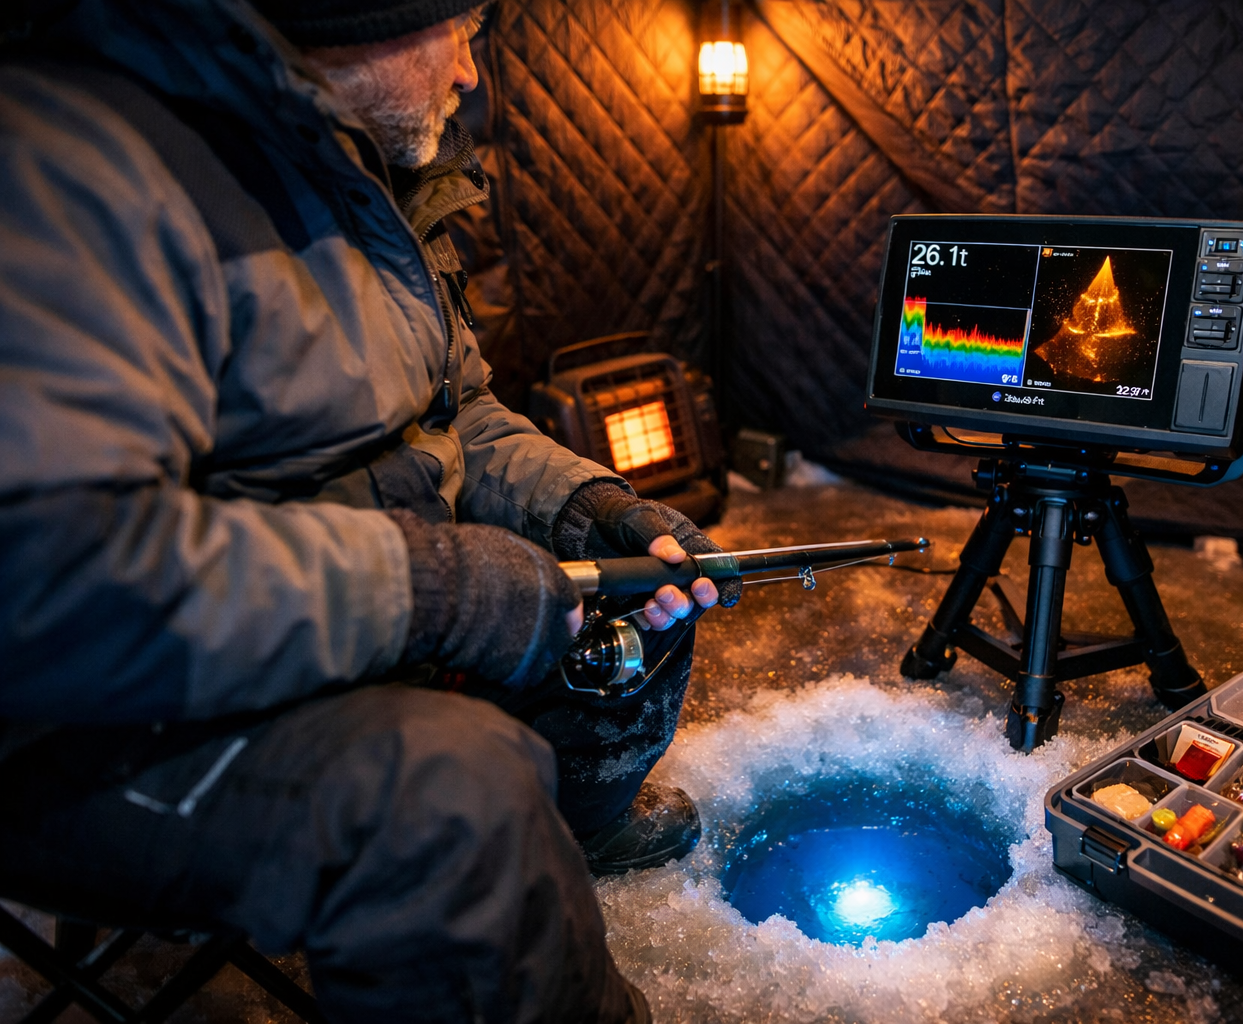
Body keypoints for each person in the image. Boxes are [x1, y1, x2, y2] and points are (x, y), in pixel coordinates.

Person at [0, 0, 733, 1020]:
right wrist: (426, 588)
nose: (473, 73)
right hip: (85, 712)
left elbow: (458, 409)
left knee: (635, 599)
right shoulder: (77, 161)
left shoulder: (366, 174)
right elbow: (51, 575)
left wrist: (588, 507)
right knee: (448, 798)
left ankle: (565, 832)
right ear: (362, 21)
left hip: (331, 609)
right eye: (462, 31)